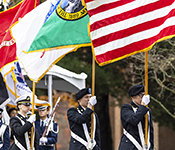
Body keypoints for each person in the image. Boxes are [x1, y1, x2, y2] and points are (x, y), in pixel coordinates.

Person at [118, 85, 154, 150]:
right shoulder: (126, 108)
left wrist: (151, 147)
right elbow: (134, 120)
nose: (143, 98)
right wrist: (143, 105)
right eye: (141, 95)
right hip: (131, 146)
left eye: (144, 95)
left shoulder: (147, 110)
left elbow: (150, 131)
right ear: (133, 96)